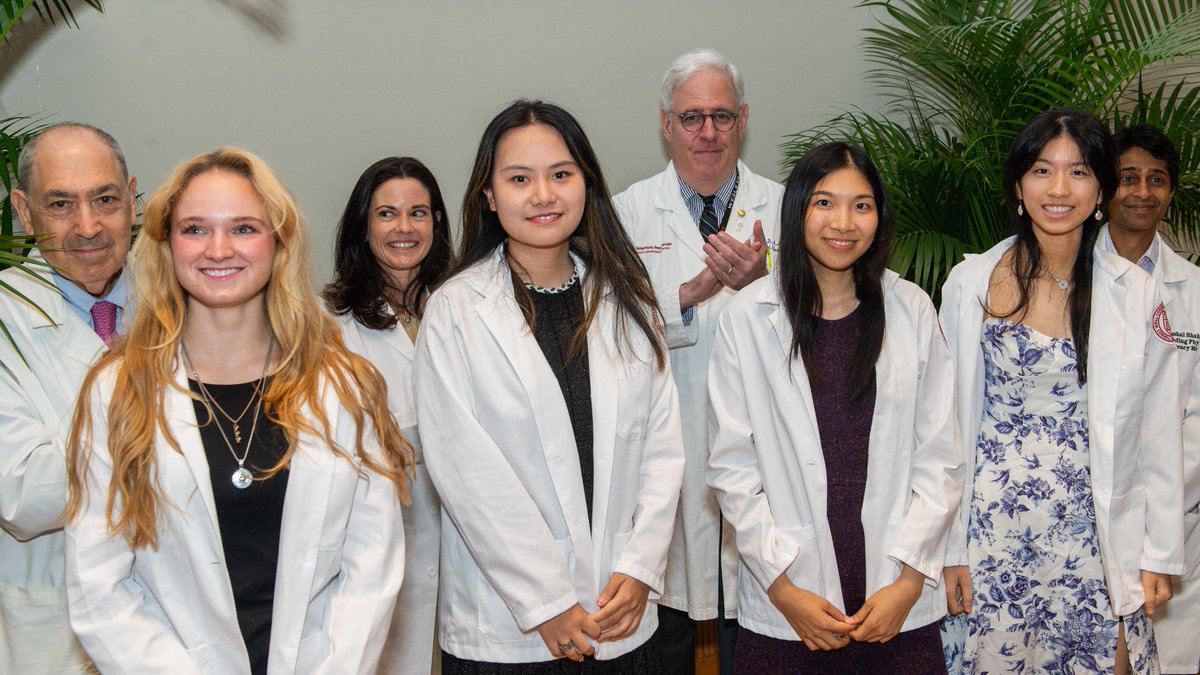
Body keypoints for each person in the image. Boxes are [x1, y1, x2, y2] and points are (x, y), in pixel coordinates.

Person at [63, 147, 412, 674]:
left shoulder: (344, 386)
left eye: (244, 228)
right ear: (167, 244)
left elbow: (371, 571)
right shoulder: (116, 391)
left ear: (278, 242)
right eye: (195, 229)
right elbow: (99, 589)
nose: (219, 249)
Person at [414, 99, 685, 671]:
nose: (543, 195)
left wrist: (640, 567)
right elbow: (467, 474)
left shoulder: (628, 300)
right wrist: (547, 601)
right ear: (490, 196)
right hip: (509, 628)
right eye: (519, 179)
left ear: (587, 184)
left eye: (561, 174)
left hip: (620, 611)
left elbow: (663, 450)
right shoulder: (456, 311)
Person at [939, 110, 1185, 673]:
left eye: (1078, 172)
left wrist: (1160, 552)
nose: (1058, 189)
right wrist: (948, 549)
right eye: (1042, 170)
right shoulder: (970, 283)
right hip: (992, 533)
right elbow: (943, 428)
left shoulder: (1137, 293)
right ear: (1018, 185)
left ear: (1100, 190)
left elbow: (1159, 433)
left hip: (1099, 534)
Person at [705, 142, 961, 673]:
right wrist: (783, 589)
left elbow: (940, 458)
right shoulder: (747, 318)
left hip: (894, 597)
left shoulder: (911, 309)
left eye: (861, 205)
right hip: (791, 597)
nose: (843, 223)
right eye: (824, 202)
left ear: (879, 217)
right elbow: (731, 469)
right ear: (797, 209)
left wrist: (910, 579)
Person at [612, 47, 784, 673]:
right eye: (691, 118)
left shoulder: (787, 208)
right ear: (667, 124)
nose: (707, 132)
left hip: (762, 444)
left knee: (755, 617)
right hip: (668, 442)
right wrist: (684, 295)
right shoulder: (627, 213)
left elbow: (823, 322)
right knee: (670, 623)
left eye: (721, 116)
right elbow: (608, 333)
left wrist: (766, 284)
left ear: (743, 120)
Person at [0, 122, 137, 674]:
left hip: (175, 623)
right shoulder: (5, 322)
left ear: (131, 199)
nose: (88, 226)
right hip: (53, 630)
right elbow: (23, 495)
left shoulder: (187, 304)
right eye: (60, 204)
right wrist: (157, 426)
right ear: (24, 212)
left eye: (105, 199)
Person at [324, 155, 455, 674]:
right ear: (363, 226)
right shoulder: (329, 325)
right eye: (387, 214)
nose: (404, 227)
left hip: (470, 549)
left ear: (437, 223)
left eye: (418, 213)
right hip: (383, 548)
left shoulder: (467, 306)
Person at [1105, 124, 1200, 675]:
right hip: (1089, 514)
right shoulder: (1070, 278)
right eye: (1128, 178)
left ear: (1171, 191)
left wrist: (1157, 500)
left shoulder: (1193, 289)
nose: (1142, 192)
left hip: (1176, 519)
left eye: (1157, 180)